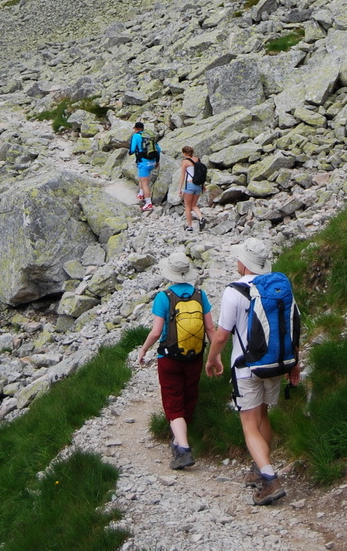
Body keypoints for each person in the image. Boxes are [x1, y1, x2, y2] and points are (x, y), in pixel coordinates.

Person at [205, 237, 300, 506]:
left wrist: (211, 360)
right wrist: (295, 363)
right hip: (274, 363)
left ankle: (270, 479)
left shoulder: (234, 291)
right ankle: (260, 469)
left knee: (248, 424)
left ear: (244, 263)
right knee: (263, 415)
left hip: (246, 367)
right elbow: (291, 327)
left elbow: (222, 335)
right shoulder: (279, 288)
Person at [138, 249, 216, 469]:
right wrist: (215, 355)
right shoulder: (200, 295)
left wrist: (143, 350)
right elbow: (210, 328)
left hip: (169, 357)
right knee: (190, 393)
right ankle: (182, 435)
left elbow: (156, 332)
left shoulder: (164, 297)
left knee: (173, 399)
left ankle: (182, 448)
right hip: (195, 355)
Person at [129, 121, 160, 211]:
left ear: (136, 129)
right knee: (142, 179)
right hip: (153, 162)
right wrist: (157, 162)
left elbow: (132, 150)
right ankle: (141, 193)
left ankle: (148, 203)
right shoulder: (149, 136)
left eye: (134, 128)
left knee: (144, 183)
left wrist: (130, 152)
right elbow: (158, 149)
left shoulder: (136, 136)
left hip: (143, 162)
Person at [178, 145, 205, 233]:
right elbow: (201, 174)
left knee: (188, 206)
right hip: (198, 185)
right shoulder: (198, 160)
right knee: (194, 205)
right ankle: (201, 217)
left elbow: (183, 176)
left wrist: (180, 188)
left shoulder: (185, 162)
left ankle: (190, 226)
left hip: (189, 185)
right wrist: (203, 185)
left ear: (185, 153)